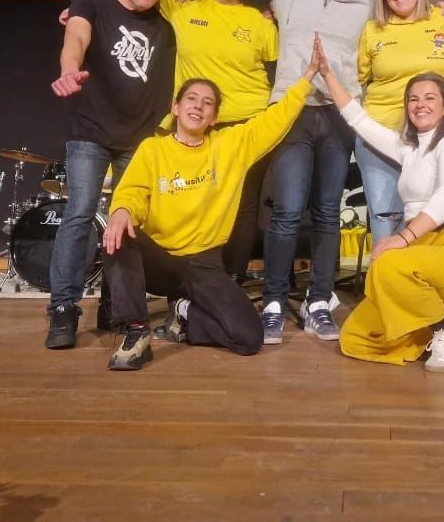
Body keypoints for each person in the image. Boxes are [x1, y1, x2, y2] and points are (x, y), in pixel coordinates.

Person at [101, 39, 323, 371]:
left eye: (207, 103)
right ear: (176, 108)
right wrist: (121, 211)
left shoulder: (230, 145)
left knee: (249, 338)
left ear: (214, 117)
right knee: (117, 232)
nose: (198, 107)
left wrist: (307, 79)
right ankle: (136, 331)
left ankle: (184, 314)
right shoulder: (153, 149)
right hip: (159, 259)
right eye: (191, 99)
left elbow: (273, 120)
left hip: (204, 264)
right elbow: (132, 193)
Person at [45, 0, 176, 350]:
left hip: (137, 138)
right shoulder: (91, 3)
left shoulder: (165, 26)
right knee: (80, 211)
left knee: (127, 222)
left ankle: (115, 303)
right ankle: (63, 308)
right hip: (91, 130)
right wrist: (69, 70)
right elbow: (76, 36)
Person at [318, 57, 444, 372]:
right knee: (354, 339)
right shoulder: (408, 149)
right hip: (420, 253)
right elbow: (359, 121)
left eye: (430, 98)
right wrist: (327, 75)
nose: (420, 105)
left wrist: (403, 237)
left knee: (387, 262)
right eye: (413, 99)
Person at [260, 0, 374, 345]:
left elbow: (408, 15)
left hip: (338, 116)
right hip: (292, 112)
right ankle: (273, 303)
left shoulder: (367, 4)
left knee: (327, 213)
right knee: (288, 211)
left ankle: (319, 302)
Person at [157, 0, 278, 281]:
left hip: (248, 122)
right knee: (194, 204)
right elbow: (132, 1)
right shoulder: (181, 5)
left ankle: (230, 284)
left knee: (242, 207)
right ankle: (193, 285)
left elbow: (277, 68)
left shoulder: (259, 20)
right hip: (197, 122)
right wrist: (79, 13)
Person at [355, 0, 444, 247]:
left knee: (434, 219)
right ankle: (385, 276)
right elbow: (356, 79)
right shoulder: (373, 29)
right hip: (380, 137)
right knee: (385, 218)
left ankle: (425, 277)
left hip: (433, 139)